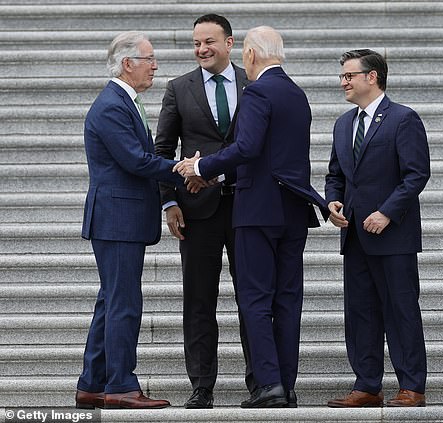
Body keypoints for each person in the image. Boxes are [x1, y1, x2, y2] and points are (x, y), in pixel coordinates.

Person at [173, 26, 329, 408]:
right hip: (293, 211)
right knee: (288, 300)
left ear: (249, 55)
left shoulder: (257, 91)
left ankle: (269, 385)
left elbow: (246, 147)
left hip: (258, 211)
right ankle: (286, 385)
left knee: (256, 299)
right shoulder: (296, 93)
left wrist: (202, 166)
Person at [75, 31, 200, 409]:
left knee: (110, 302)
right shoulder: (112, 105)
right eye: (149, 59)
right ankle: (122, 386)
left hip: (120, 218)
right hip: (117, 219)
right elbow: (136, 160)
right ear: (128, 64)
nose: (155, 66)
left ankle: (93, 384)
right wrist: (185, 169)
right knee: (124, 303)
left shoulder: (122, 101)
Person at [154, 13, 254, 409]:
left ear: (230, 43)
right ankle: (201, 387)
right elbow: (162, 151)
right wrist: (169, 199)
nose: (201, 49)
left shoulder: (255, 83)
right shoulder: (179, 88)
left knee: (253, 298)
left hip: (247, 207)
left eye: (209, 41)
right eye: (196, 43)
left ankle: (261, 383)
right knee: (198, 301)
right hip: (196, 212)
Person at [324, 49, 430, 408]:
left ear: (372, 77)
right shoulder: (342, 124)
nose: (343, 82)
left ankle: (411, 385)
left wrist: (387, 212)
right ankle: (367, 385)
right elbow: (335, 175)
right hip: (354, 236)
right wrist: (332, 202)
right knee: (360, 314)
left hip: (393, 236)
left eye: (349, 75)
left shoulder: (403, 119)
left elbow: (416, 174)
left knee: (401, 310)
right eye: (342, 76)